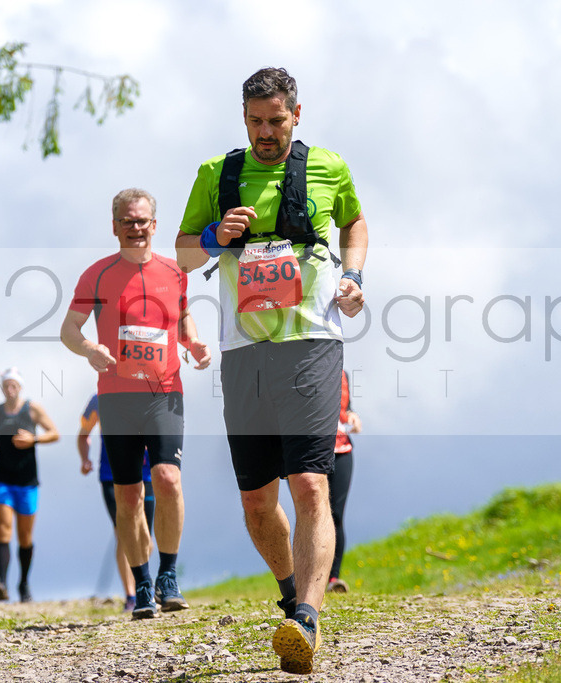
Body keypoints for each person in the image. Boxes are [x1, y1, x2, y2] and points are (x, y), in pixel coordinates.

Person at [175, 67, 368, 674]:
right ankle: (290, 592)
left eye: (275, 120)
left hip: (312, 340)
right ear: (244, 118)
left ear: (296, 114)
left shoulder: (329, 166)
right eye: (255, 121)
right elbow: (180, 256)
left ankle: (307, 618)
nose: (265, 131)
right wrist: (213, 235)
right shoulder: (216, 174)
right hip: (244, 350)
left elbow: (356, 223)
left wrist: (354, 278)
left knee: (310, 482)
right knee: (257, 501)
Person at [61, 187, 211, 619]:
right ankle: (142, 584)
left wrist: (194, 342)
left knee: (167, 479)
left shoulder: (173, 272)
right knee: (128, 495)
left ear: (154, 225)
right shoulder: (97, 275)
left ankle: (168, 575)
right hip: (116, 396)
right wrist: (89, 348)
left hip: (164, 391)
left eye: (142, 220)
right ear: (115, 226)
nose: (136, 227)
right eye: (127, 220)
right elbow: (69, 328)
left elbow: (182, 318)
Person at [0, 368, 59, 603]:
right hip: (2, 479)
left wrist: (33, 439)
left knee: (25, 536)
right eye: (6, 384)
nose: (10, 388)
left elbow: (54, 433)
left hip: (27, 480)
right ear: (3, 388)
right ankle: (2, 583)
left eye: (14, 384)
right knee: (4, 530)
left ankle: (24, 584)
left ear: (20, 387)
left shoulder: (32, 409)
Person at [78, 393, 155, 611]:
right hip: (110, 474)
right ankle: (132, 595)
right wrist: (85, 459)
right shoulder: (98, 399)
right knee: (123, 532)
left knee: (146, 536)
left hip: (145, 473)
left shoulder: (147, 392)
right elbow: (84, 433)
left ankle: (143, 584)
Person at [326, 370, 361, 594]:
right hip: (307, 451)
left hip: (342, 451)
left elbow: (346, 408)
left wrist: (353, 416)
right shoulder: (297, 364)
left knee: (336, 515)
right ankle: (305, 578)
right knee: (310, 514)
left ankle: (332, 579)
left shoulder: (342, 374)